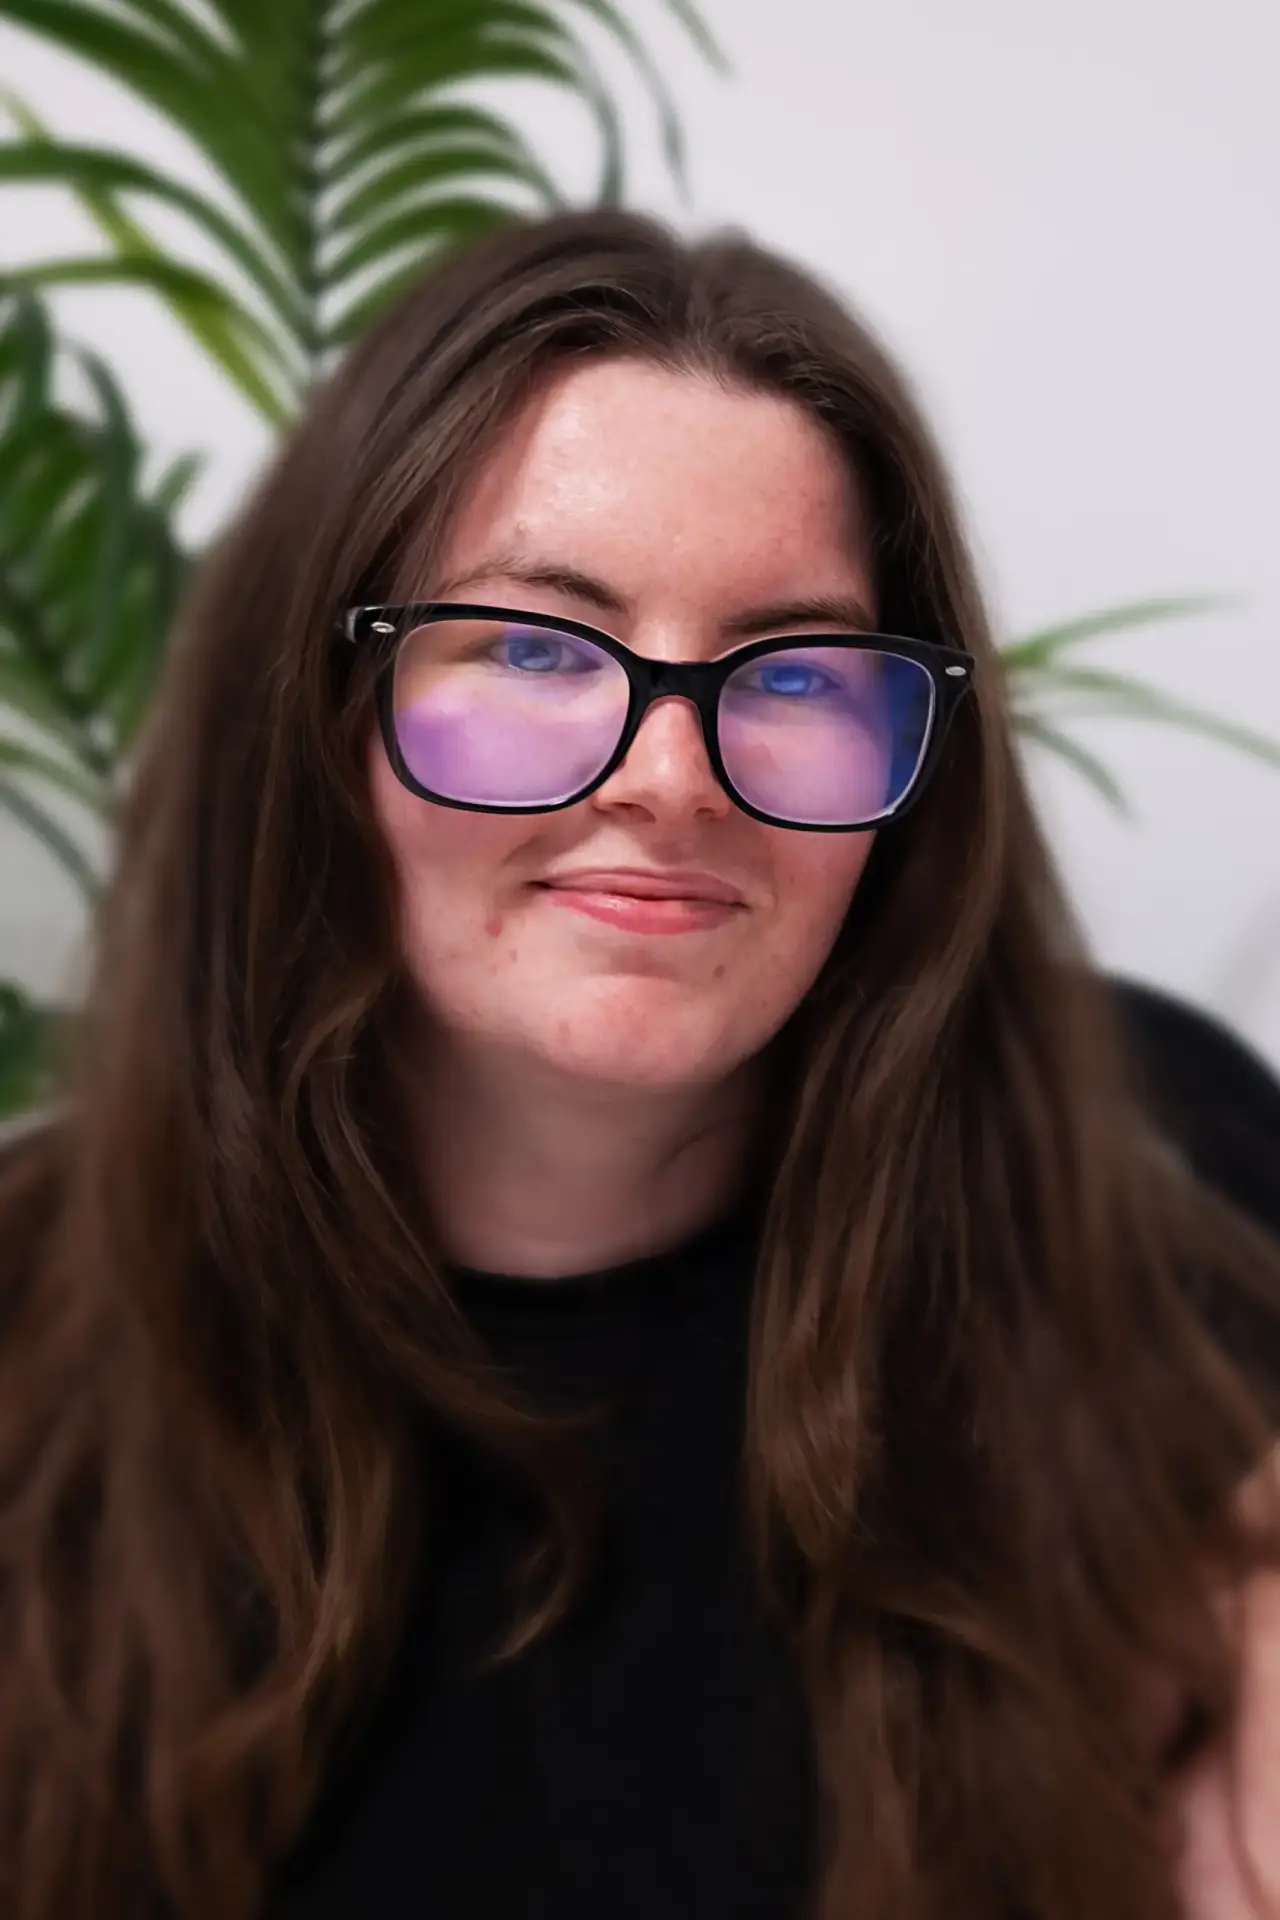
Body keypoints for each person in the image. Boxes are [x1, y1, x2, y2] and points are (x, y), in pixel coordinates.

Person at [0, 208, 1278, 1920]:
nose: (673, 776)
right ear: (312, 713)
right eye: (534, 645)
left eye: (796, 670)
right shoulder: (28, 1320)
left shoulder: (1150, 1155)